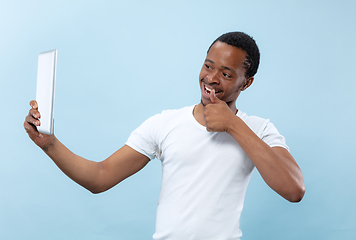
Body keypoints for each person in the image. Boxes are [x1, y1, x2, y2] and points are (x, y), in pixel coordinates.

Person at [24, 31, 305, 240]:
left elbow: (294, 190)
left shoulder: (258, 129)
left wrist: (233, 125)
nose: (212, 78)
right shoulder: (165, 123)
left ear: (247, 82)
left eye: (227, 73)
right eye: (208, 66)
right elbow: (100, 177)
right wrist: (49, 144)